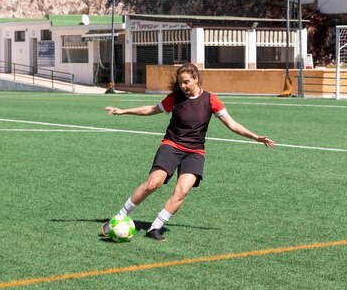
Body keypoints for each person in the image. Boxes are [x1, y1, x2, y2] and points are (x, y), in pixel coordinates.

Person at [102, 62, 275, 241]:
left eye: (186, 82)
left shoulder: (210, 100)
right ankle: (119, 217)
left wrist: (255, 137)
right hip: (172, 145)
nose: (183, 86)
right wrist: (123, 111)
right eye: (181, 82)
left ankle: (155, 227)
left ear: (196, 79)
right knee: (154, 183)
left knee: (182, 190)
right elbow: (151, 109)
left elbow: (232, 124)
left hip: (195, 152)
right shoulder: (175, 98)